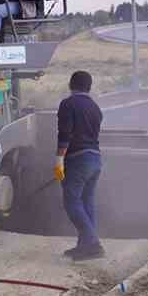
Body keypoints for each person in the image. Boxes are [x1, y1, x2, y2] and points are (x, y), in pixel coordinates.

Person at [55, 69, 104, 260]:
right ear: (89, 87)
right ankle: (84, 246)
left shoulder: (68, 104)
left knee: (71, 202)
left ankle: (93, 243)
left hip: (78, 160)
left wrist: (59, 160)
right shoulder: (95, 108)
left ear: (70, 85)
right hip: (95, 159)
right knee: (87, 202)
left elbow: (65, 134)